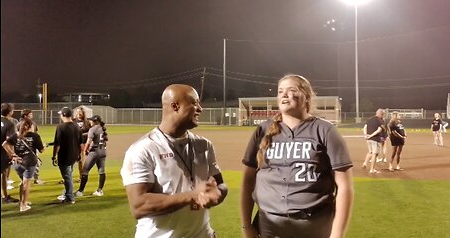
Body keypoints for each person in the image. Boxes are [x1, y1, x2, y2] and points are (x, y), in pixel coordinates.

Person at [240, 74, 354, 238]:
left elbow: (344, 186)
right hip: (269, 227)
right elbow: (248, 179)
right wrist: (246, 226)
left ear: (306, 97)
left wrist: (337, 234)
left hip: (315, 226)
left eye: (291, 90)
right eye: (280, 91)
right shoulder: (263, 131)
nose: (284, 95)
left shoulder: (325, 130)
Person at [120, 84, 228, 238]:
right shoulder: (143, 149)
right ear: (175, 106)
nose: (200, 109)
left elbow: (221, 185)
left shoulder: (204, 145)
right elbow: (139, 206)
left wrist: (217, 193)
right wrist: (192, 195)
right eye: (194, 103)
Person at [2, 117, 45, 212]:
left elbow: (4, 144)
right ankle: (23, 205)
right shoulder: (35, 136)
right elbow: (41, 150)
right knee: (26, 183)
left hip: (17, 163)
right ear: (30, 126)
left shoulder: (15, 135)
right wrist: (44, 147)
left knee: (23, 182)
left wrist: (12, 155)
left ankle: (22, 201)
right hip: (29, 163)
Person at [52, 107, 81, 204]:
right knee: (69, 175)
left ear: (63, 115)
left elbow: (57, 144)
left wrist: (54, 156)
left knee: (67, 177)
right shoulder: (76, 126)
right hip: (73, 154)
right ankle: (66, 194)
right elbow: (79, 142)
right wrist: (79, 154)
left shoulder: (61, 127)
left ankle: (70, 197)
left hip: (64, 155)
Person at [74, 115, 108, 197]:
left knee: (85, 171)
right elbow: (105, 140)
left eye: (91, 120)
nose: (90, 121)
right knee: (101, 171)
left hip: (94, 152)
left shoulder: (93, 129)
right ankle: (100, 190)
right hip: (103, 151)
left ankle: (80, 191)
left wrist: (85, 150)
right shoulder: (102, 129)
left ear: (95, 121)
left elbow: (89, 141)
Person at [17, 109, 45, 185]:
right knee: (26, 164)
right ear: (25, 115)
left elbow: (35, 134)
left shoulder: (34, 124)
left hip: (32, 147)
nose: (32, 115)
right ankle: (23, 179)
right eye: (30, 114)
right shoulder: (19, 124)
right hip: (25, 148)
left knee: (36, 165)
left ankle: (36, 179)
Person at [1, 103, 19, 204]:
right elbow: (9, 141)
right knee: (3, 173)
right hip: (3, 152)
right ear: (10, 112)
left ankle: (5, 196)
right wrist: (12, 154)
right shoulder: (10, 123)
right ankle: (5, 196)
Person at [362, 109, 385, 174]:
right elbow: (379, 130)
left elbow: (365, 127)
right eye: (383, 114)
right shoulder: (380, 120)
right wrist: (371, 136)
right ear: (381, 114)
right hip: (375, 139)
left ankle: (365, 163)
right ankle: (372, 169)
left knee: (370, 152)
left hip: (368, 139)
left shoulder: (369, 119)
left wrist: (366, 135)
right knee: (375, 154)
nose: (383, 116)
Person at [73, 107, 91, 182]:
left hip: (82, 144)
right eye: (78, 112)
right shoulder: (73, 121)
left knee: (81, 161)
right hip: (73, 143)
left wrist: (82, 134)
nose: (79, 114)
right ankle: (68, 177)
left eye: (80, 112)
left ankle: (81, 177)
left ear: (83, 114)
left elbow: (90, 132)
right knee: (71, 161)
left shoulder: (86, 122)